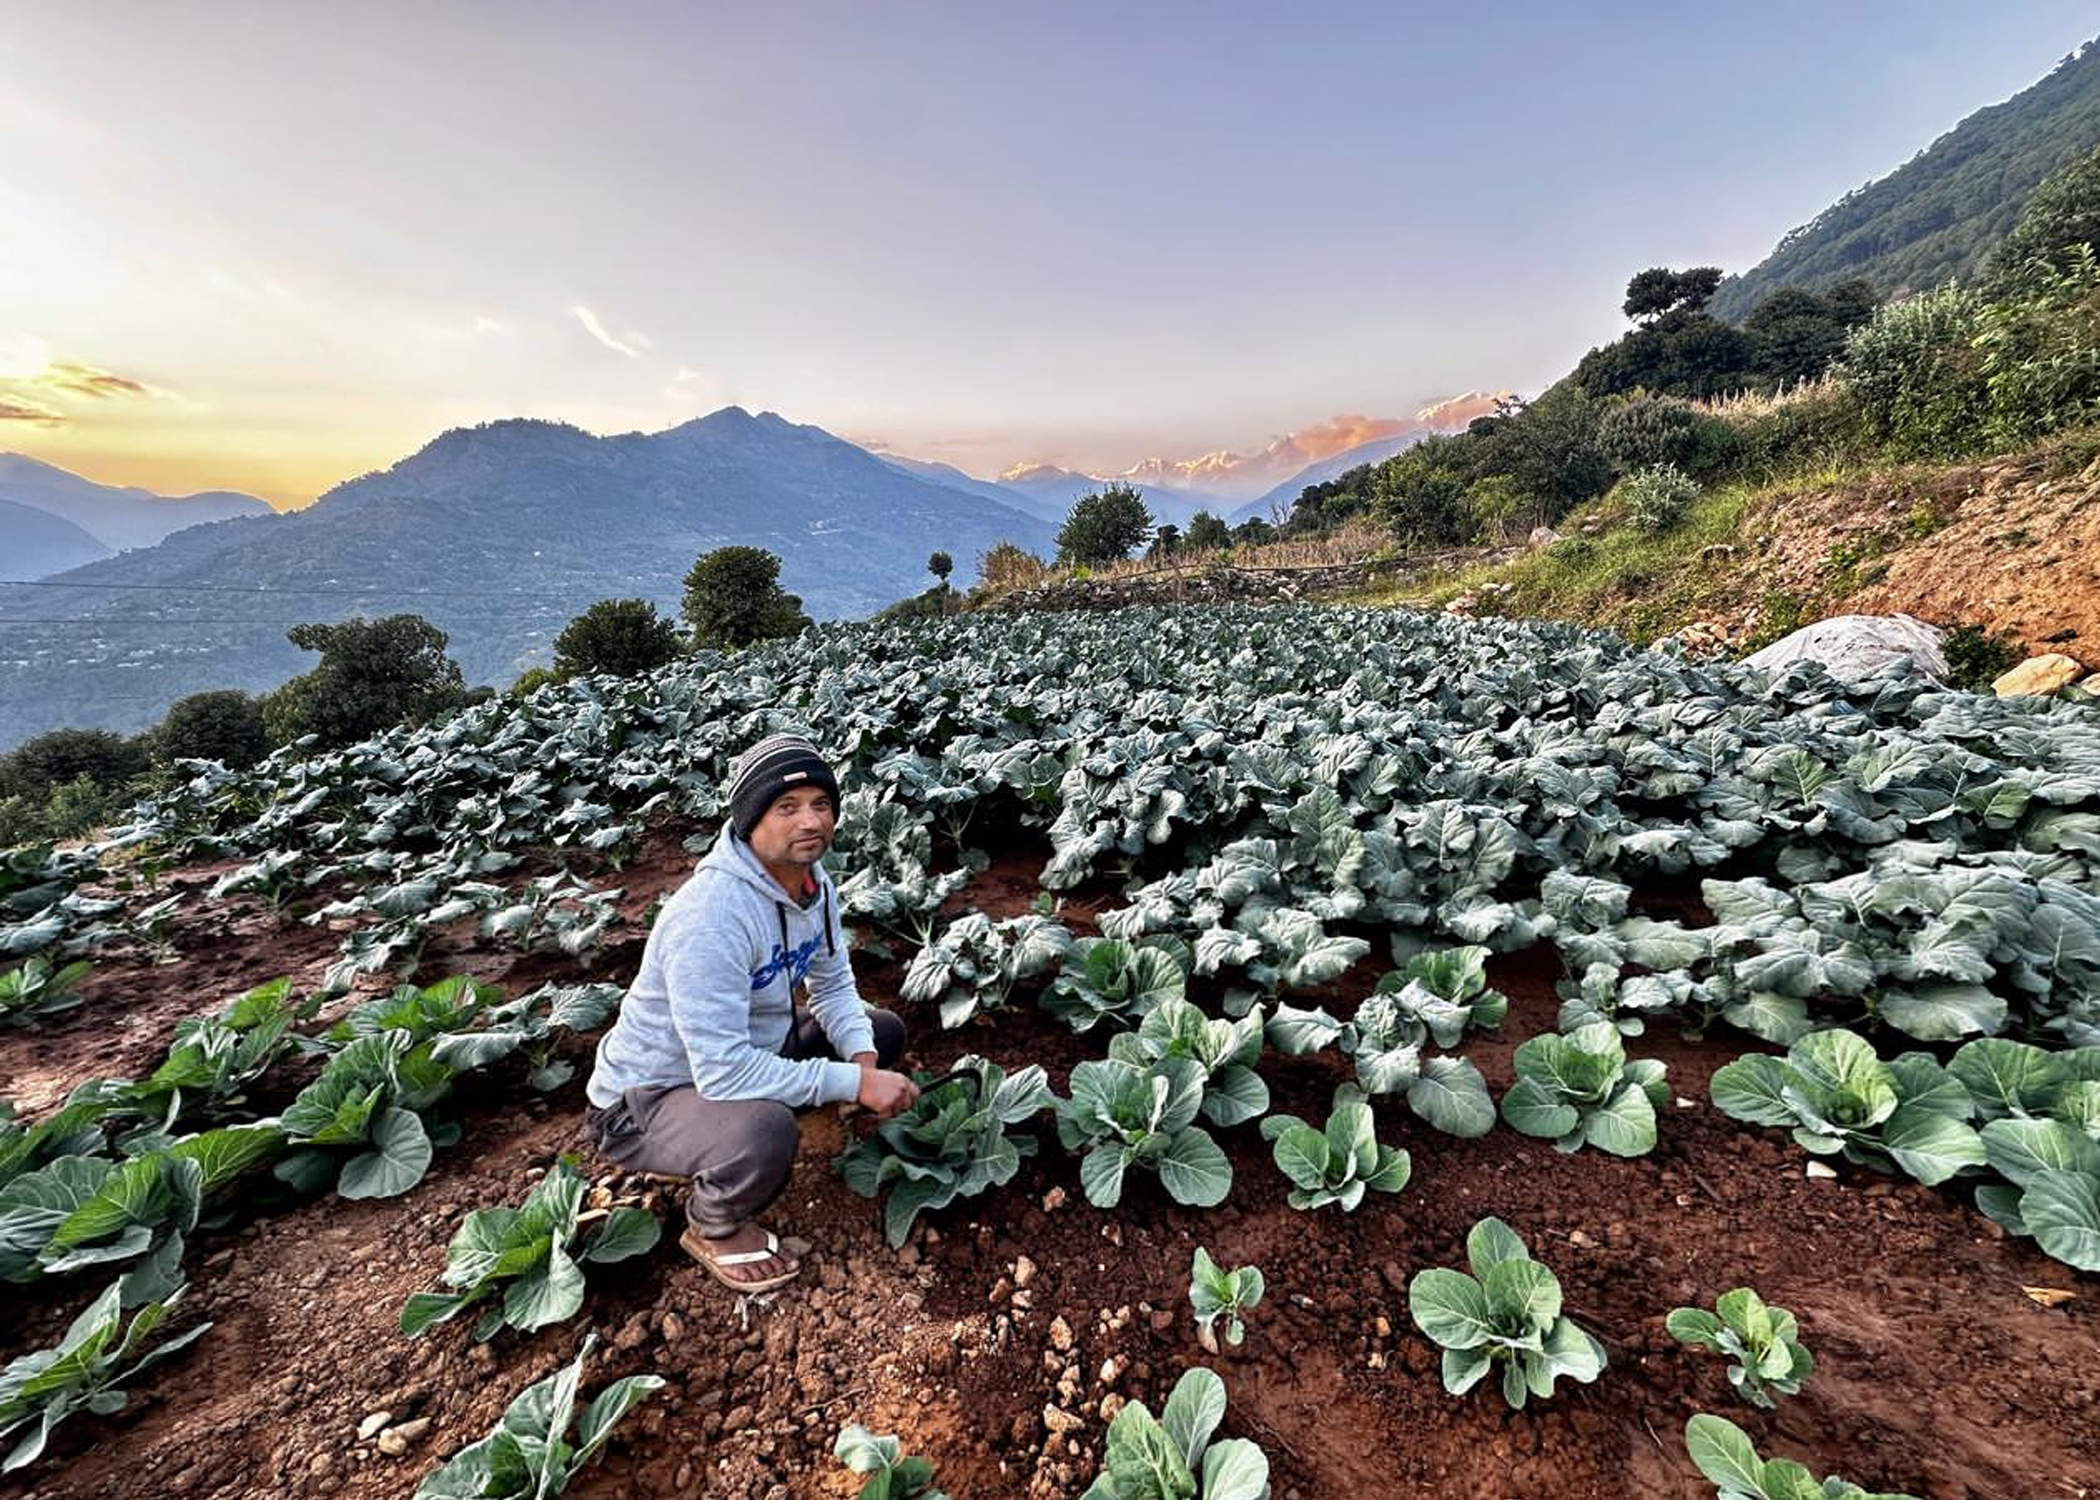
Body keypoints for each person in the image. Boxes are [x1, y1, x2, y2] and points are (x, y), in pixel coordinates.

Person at [583, 733, 918, 1291]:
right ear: (748, 820)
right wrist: (852, 1085)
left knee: (881, 1032)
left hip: (750, 1052)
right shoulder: (710, 919)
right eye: (787, 808)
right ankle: (713, 1224)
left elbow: (833, 986)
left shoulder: (815, 886)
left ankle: (768, 1122)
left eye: (821, 805)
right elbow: (722, 1071)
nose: (810, 822)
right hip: (646, 1099)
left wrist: (862, 1066)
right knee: (765, 1130)